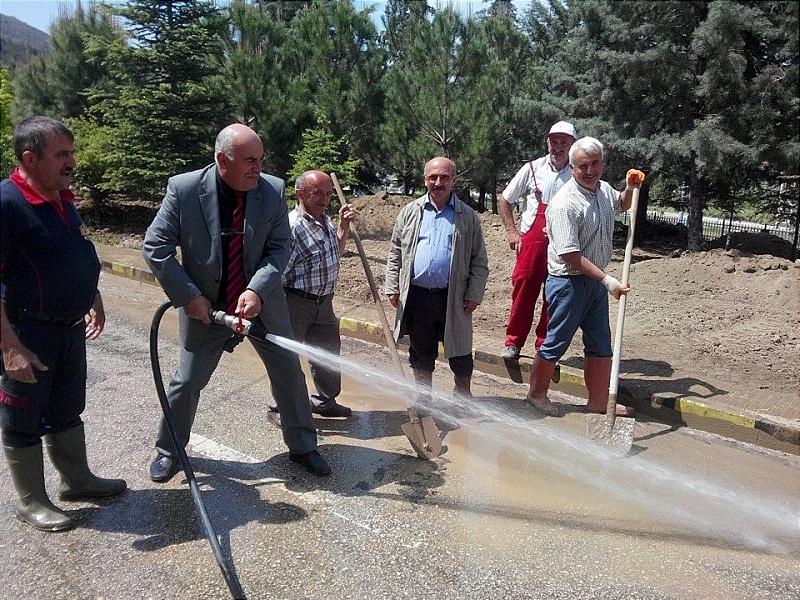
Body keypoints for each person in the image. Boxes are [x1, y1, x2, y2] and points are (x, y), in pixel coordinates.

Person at [142, 123, 330, 479]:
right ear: (221, 160)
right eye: (248, 161)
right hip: (207, 310)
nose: (257, 168)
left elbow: (279, 248)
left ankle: (304, 447)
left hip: (263, 306)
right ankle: (171, 449)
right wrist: (189, 297)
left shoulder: (272, 190)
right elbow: (155, 248)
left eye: (260, 160)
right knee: (188, 380)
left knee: (290, 374)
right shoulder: (183, 190)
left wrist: (257, 289)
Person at [0, 116, 127, 532]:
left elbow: (74, 254)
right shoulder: (7, 203)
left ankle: (76, 480)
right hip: (27, 331)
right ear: (30, 158)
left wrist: (92, 296)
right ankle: (31, 500)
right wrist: (10, 347)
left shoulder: (61, 197)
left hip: (68, 327)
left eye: (72, 152)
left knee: (68, 406)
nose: (72, 161)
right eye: (62, 154)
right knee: (24, 417)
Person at [525, 136, 644, 416]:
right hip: (568, 282)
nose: (590, 171)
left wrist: (629, 187)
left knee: (600, 342)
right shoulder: (565, 203)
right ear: (572, 166)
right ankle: (536, 394)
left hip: (595, 282)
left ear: (602, 163)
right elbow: (569, 254)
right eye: (582, 166)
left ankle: (599, 401)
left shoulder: (603, 190)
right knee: (557, 340)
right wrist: (606, 280)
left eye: (595, 164)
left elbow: (623, 204)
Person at [385, 156, 489, 409]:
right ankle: (424, 398)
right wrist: (392, 286)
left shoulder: (467, 216)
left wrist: (474, 293)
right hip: (417, 296)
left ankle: (462, 397)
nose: (438, 182)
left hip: (453, 296)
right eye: (433, 177)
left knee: (460, 349)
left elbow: (479, 260)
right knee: (421, 352)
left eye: (444, 177)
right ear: (425, 180)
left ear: (454, 180)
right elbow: (395, 252)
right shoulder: (409, 212)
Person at [274, 170, 357, 423]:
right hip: (295, 302)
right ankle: (281, 409)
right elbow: (277, 272)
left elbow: (335, 252)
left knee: (328, 354)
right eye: (317, 193)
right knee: (285, 359)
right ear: (300, 194)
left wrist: (343, 227)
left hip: (324, 302)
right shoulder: (292, 227)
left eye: (329, 193)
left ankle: (324, 402)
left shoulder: (325, 220)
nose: (325, 198)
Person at [499, 120, 576, 361]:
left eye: (564, 142)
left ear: (572, 145)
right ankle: (513, 342)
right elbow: (505, 199)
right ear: (547, 142)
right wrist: (512, 233)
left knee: (555, 297)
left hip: (562, 245)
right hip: (531, 244)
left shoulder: (578, 174)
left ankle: (544, 349)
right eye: (554, 141)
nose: (558, 147)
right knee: (523, 291)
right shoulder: (532, 169)